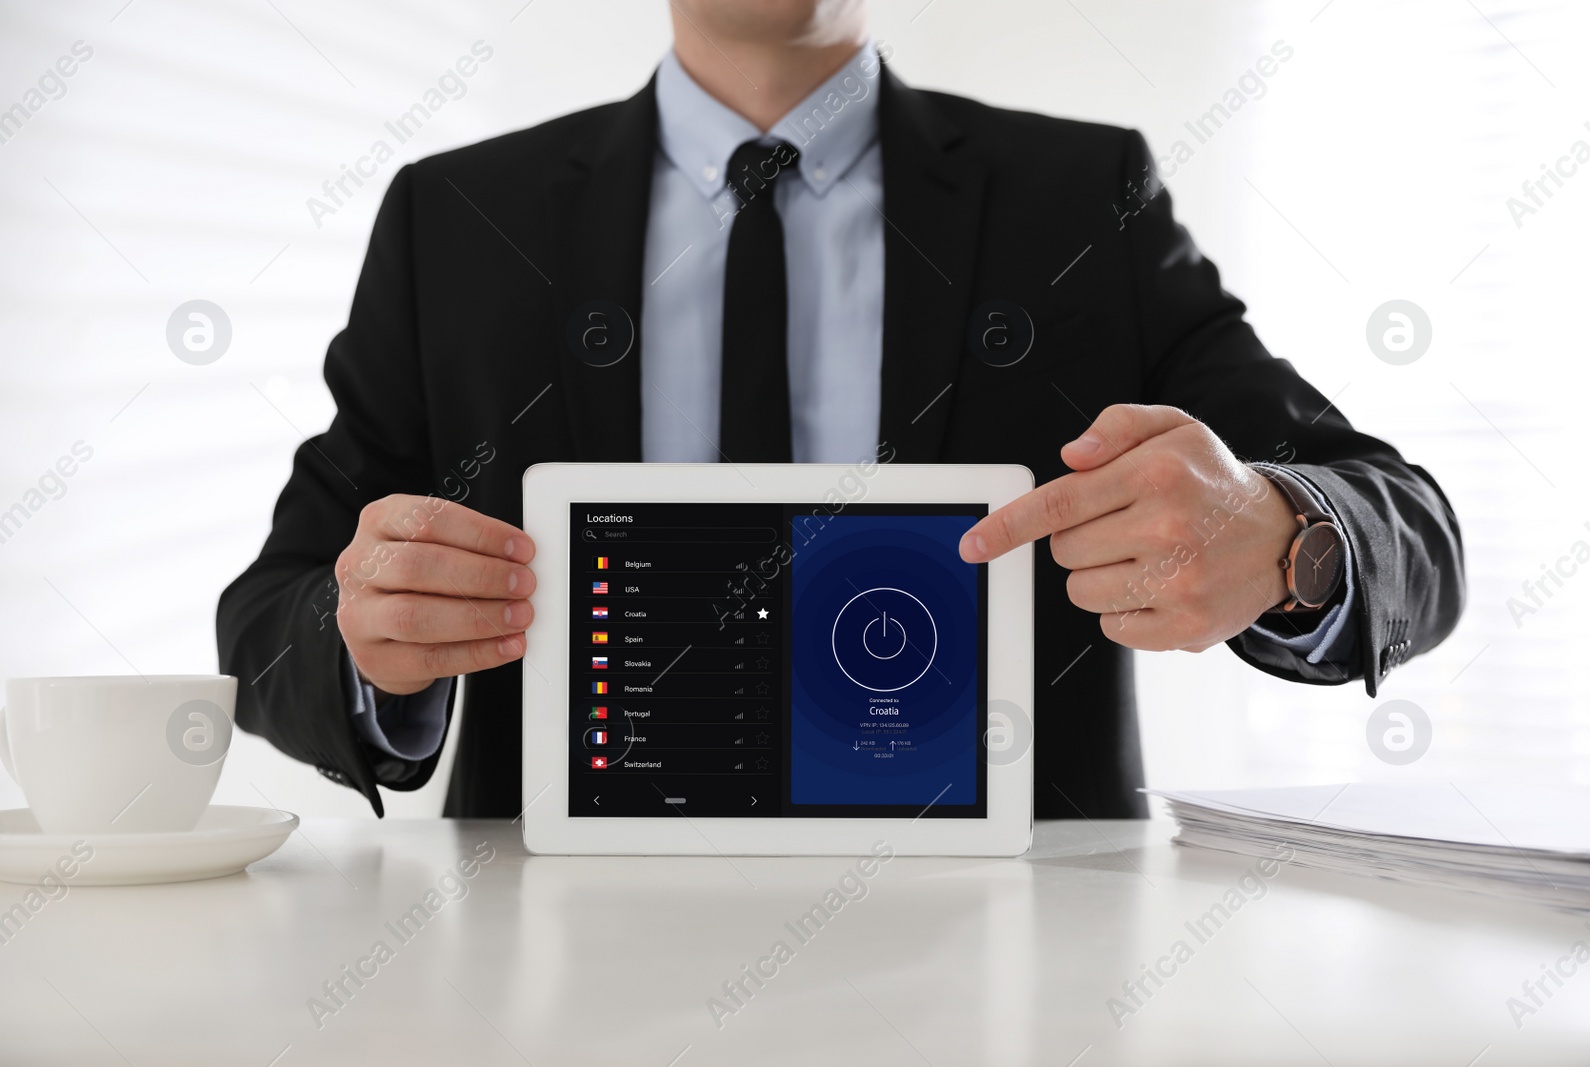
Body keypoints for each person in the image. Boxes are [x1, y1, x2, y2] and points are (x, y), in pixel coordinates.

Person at [217, 0, 1464, 820]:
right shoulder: (458, 220)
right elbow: (269, 614)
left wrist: (1284, 535)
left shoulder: (1082, 198)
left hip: (1018, 962)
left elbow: (1407, 524)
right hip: (559, 955)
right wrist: (368, 635)